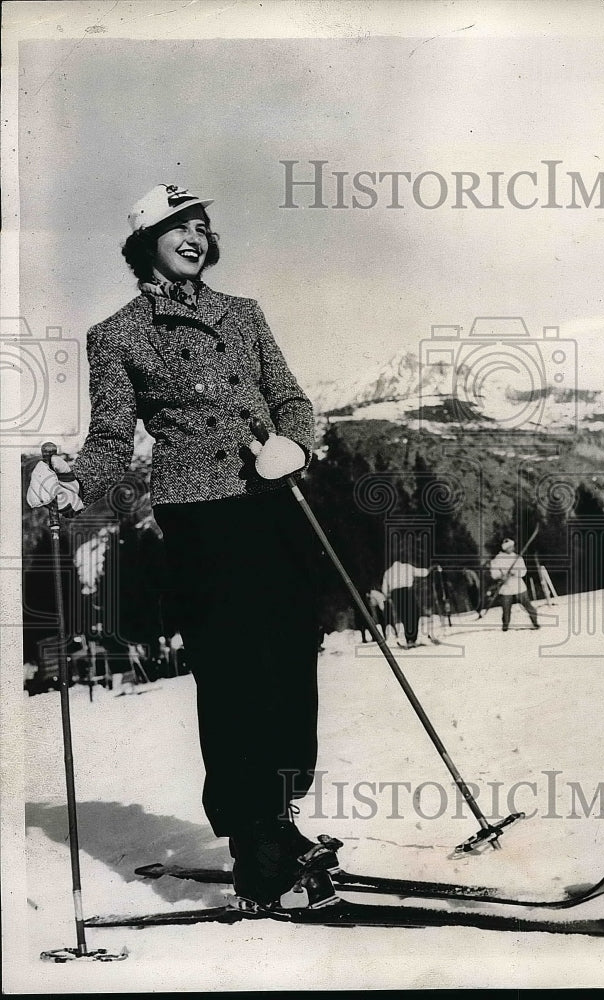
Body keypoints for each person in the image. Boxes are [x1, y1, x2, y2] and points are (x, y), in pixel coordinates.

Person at [26, 183, 338, 911]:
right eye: (178, 227)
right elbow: (111, 440)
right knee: (234, 674)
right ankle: (256, 841)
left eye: (202, 225)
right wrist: (76, 480)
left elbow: (290, 397)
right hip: (201, 518)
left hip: (274, 504)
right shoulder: (118, 335)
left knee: (292, 662)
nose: (195, 237)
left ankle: (282, 818)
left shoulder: (244, 314)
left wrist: (292, 444)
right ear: (147, 244)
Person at [381, 556, 438, 649]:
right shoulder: (406, 567)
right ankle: (412, 637)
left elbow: (384, 589)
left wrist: (388, 595)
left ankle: (409, 639)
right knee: (414, 614)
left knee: (404, 616)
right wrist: (430, 569)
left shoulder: (387, 572)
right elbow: (422, 573)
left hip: (395, 594)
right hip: (407, 592)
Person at [489, 538, 540, 632]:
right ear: (505, 548)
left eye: (512, 546)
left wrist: (515, 572)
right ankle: (505, 626)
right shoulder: (497, 559)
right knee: (506, 608)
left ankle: (535, 622)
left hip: (518, 585)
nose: (512, 548)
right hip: (506, 587)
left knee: (528, 605)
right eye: (509, 547)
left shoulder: (518, 558)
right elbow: (494, 574)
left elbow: (523, 571)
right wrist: (501, 576)